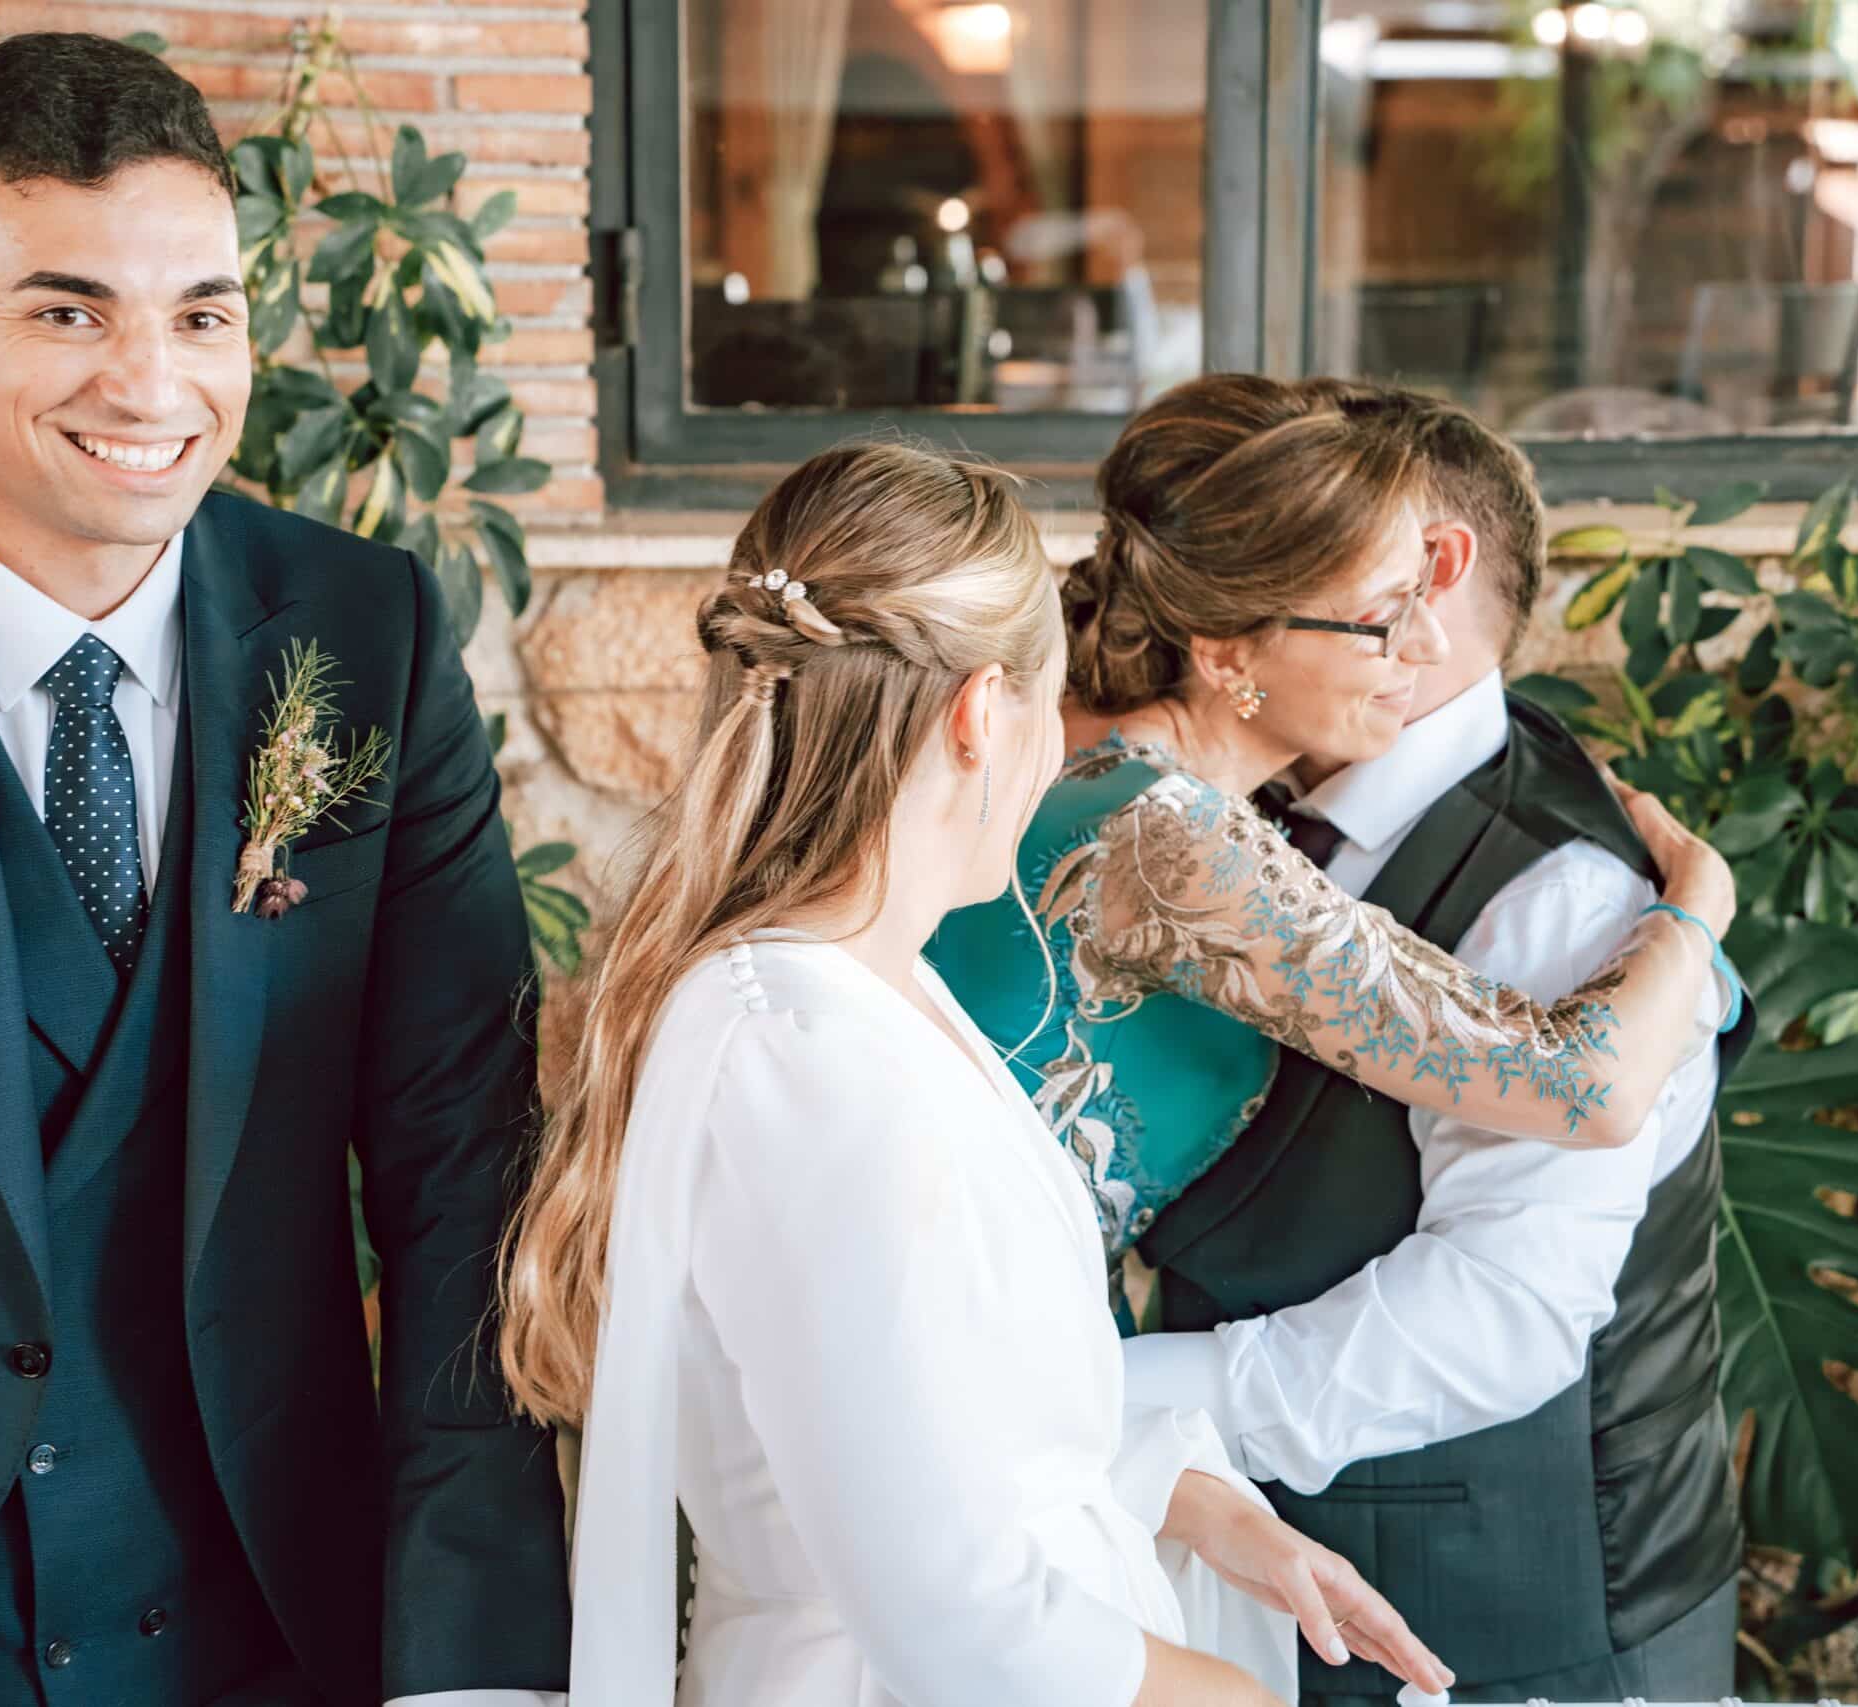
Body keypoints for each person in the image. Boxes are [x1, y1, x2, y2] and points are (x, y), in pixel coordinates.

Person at [0, 34, 567, 1706]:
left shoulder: (370, 635)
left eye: (202, 314)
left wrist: (466, 1670)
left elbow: (465, 1176)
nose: (151, 385)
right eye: (69, 312)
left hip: (283, 1633)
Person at [497, 440, 1454, 1707]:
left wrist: (1200, 1505)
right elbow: (954, 1613)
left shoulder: (884, 987)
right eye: (1051, 709)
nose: (1059, 752)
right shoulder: (806, 1059)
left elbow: (951, 1427)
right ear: (979, 714)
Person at [1129, 397, 1754, 1704]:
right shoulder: (1204, 801)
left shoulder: (1565, 897)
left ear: (1432, 568)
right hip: (1255, 1571)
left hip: (1505, 1627)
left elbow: (1498, 1316)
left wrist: (1119, 1395)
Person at [924, 374, 1737, 1310]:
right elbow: (1585, 1088)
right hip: (989, 1328)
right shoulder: (1176, 842)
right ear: (1226, 650)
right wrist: (1697, 907)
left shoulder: (1064, 734)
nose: (1428, 645)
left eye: (1421, 596)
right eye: (1383, 616)